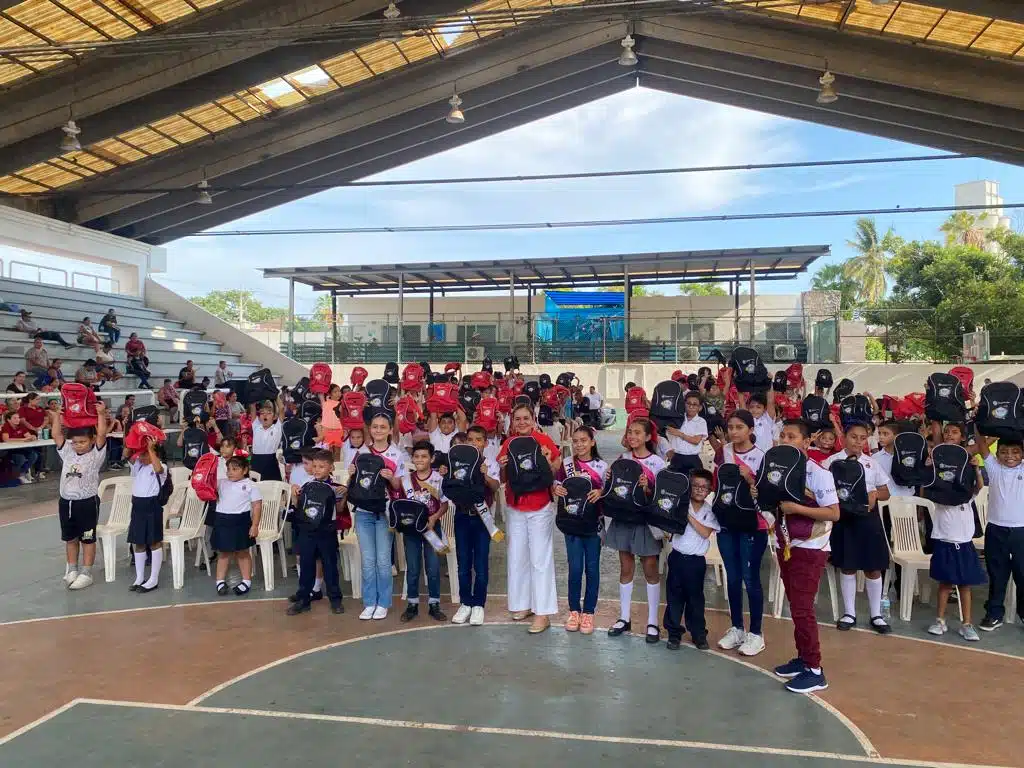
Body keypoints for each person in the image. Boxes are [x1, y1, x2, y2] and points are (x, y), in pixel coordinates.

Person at [771, 418, 840, 694]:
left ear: (807, 442)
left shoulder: (818, 473)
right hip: (787, 543)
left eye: (792, 437)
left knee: (803, 608)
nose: (786, 441)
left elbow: (834, 513)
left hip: (811, 548)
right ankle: (802, 658)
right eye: (783, 436)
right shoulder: (778, 468)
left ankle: (814, 669)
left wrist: (796, 508)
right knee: (795, 605)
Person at [822, 422, 893, 634]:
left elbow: (885, 492)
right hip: (843, 519)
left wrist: (874, 495)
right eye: (854, 437)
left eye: (863, 438)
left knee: (872, 567)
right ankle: (849, 613)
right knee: (848, 565)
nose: (858, 442)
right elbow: (820, 489)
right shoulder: (831, 462)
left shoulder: (871, 464)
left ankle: (876, 615)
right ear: (844, 437)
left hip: (868, 519)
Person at [710, 409, 769, 657]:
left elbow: (767, 495)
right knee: (732, 577)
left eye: (739, 427)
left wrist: (750, 477)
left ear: (751, 430)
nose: (734, 432)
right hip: (727, 522)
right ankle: (737, 628)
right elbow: (717, 483)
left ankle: (756, 633)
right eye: (730, 427)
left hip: (753, 525)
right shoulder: (724, 452)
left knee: (750, 578)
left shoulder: (761, 457)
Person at [498, 403, 560, 635]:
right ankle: (523, 604)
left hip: (540, 505)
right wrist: (502, 466)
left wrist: (546, 459)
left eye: (526, 418)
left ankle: (543, 612)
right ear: (512, 422)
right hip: (515, 505)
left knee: (540, 559)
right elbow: (505, 478)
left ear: (533, 419)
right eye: (517, 419)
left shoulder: (544, 441)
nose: (521, 422)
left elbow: (555, 469)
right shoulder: (508, 443)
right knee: (518, 556)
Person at [606, 417, 666, 643]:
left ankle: (652, 621)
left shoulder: (658, 463)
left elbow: (661, 498)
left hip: (645, 522)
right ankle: (624, 617)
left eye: (638, 433)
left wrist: (647, 487)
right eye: (630, 432)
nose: (632, 436)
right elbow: (613, 490)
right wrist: (610, 479)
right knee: (625, 567)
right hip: (624, 518)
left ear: (649, 437)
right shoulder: (622, 458)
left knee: (650, 570)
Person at [927, 423, 985, 641]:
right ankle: (939, 620)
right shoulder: (941, 490)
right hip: (944, 540)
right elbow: (928, 485)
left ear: (962, 437)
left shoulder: (966, 489)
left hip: (965, 542)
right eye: (946, 431)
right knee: (944, 583)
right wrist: (930, 466)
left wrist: (977, 469)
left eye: (954, 431)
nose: (949, 435)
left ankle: (966, 624)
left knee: (965, 584)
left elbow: (978, 487)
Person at [351, 413, 406, 620]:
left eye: (383, 427)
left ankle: (383, 602)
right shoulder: (361, 452)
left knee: (383, 561)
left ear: (391, 430)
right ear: (370, 429)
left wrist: (391, 478)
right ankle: (369, 602)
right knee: (367, 560)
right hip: (363, 512)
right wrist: (350, 472)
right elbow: (356, 483)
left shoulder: (396, 454)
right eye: (375, 426)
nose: (379, 430)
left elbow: (398, 486)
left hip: (384, 513)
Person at [552, 425, 606, 634]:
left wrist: (601, 492)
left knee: (592, 569)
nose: (579, 444)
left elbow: (608, 492)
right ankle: (574, 610)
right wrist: (556, 488)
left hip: (593, 526)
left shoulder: (602, 466)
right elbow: (556, 484)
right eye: (575, 441)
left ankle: (589, 612)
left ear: (592, 442)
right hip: (571, 524)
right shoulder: (566, 464)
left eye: (584, 440)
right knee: (575, 569)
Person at [51, 401, 107, 590]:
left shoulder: (96, 455)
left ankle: (87, 572)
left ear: (91, 440)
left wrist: (100, 414)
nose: (78, 445)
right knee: (70, 538)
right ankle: (72, 568)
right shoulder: (67, 452)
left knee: (87, 538)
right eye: (75, 442)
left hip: (87, 503)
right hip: (66, 503)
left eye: (82, 442)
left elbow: (102, 434)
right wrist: (58, 416)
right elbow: (56, 434)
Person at [450, 426, 501, 626]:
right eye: (470, 439)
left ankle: (479, 603)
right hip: (462, 515)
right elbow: (448, 488)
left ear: (485, 443)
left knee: (480, 563)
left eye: (478, 440)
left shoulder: (489, 463)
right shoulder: (457, 462)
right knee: (463, 563)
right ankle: (465, 602)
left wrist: (485, 475)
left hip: (482, 518)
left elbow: (496, 487)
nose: (474, 443)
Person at [664, 469, 719, 650]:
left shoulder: (709, 511)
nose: (698, 490)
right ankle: (674, 633)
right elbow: (667, 525)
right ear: (689, 487)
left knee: (695, 599)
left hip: (696, 562)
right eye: (695, 486)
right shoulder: (680, 504)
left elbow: (704, 533)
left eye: (703, 487)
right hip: (677, 557)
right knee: (674, 597)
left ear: (709, 490)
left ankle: (698, 634)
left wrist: (687, 516)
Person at [287, 449, 346, 615]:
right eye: (315, 466)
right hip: (307, 532)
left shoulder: (335, 488)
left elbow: (340, 509)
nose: (318, 469)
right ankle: (303, 599)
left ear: (331, 467)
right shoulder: (306, 485)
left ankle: (335, 600)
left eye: (322, 466)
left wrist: (345, 494)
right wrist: (294, 494)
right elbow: (299, 507)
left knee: (330, 567)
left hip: (327, 532)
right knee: (306, 566)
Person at [977, 436, 1024, 630]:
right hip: (996, 529)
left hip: (1021, 530)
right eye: (1004, 452)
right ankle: (994, 613)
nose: (1009, 456)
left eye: (1015, 452)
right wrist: (996, 432)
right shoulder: (994, 469)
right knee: (997, 573)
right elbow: (981, 445)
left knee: (1022, 574)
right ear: (997, 454)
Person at [399, 441, 448, 623]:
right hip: (411, 531)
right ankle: (412, 604)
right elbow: (401, 506)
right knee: (412, 568)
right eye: (417, 456)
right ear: (412, 458)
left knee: (433, 567)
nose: (420, 460)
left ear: (432, 458)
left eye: (424, 456)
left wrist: (434, 518)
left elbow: (444, 504)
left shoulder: (438, 478)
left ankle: (434, 603)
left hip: (432, 529)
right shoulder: (405, 480)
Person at [213, 454, 262, 596]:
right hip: (222, 520)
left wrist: (255, 525)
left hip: (241, 522)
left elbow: (257, 506)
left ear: (245, 470)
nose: (230, 472)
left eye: (235, 469)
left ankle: (246, 580)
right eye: (228, 469)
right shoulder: (221, 483)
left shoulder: (250, 485)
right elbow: (206, 489)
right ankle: (220, 581)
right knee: (223, 553)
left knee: (242, 552)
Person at [127, 436, 168, 593]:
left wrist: (151, 449)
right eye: (142, 454)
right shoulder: (138, 467)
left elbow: (158, 469)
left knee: (154, 541)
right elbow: (127, 453)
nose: (142, 457)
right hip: (138, 506)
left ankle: (153, 579)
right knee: (139, 542)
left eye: (146, 454)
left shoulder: (161, 467)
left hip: (152, 506)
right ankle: (139, 577)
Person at [665, 390, 708, 474]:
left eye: (694, 404)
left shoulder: (701, 421)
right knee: (677, 483)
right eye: (688, 403)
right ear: (684, 404)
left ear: (700, 408)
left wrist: (679, 434)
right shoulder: (677, 419)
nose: (691, 407)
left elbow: (696, 441)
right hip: (677, 457)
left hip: (693, 458)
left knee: (694, 483)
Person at [249, 397, 284, 481]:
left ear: (274, 417)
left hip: (270, 462)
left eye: (269, 413)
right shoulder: (256, 426)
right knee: (256, 488)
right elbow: (252, 407)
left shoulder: (277, 428)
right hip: (256, 461)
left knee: (273, 488)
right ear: (259, 417)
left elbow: (282, 408)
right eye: (262, 413)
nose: (265, 415)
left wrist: (275, 396)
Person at [1, 410, 40, 484]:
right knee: (20, 458)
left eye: (18, 418)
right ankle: (18, 475)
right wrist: (23, 439)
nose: (17, 419)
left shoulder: (21, 425)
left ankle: (21, 473)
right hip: (8, 450)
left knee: (34, 455)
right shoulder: (6, 426)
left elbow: (28, 436)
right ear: (9, 420)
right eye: (15, 418)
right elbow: (6, 439)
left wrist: (32, 437)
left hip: (20, 448)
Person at [18, 393, 48, 479]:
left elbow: (46, 418)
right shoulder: (23, 409)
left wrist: (41, 427)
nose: (39, 401)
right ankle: (27, 472)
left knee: (41, 452)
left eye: (39, 399)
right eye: (37, 399)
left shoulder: (40, 409)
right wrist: (33, 428)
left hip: (39, 433)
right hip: (27, 433)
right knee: (32, 453)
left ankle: (39, 471)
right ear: (30, 400)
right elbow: (23, 421)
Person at [319, 384, 344, 460]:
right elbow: (320, 393)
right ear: (330, 394)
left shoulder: (342, 404)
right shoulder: (325, 403)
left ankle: (336, 469)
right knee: (328, 452)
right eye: (335, 392)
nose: (338, 393)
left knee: (337, 452)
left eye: (339, 391)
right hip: (326, 431)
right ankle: (329, 469)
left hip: (339, 431)